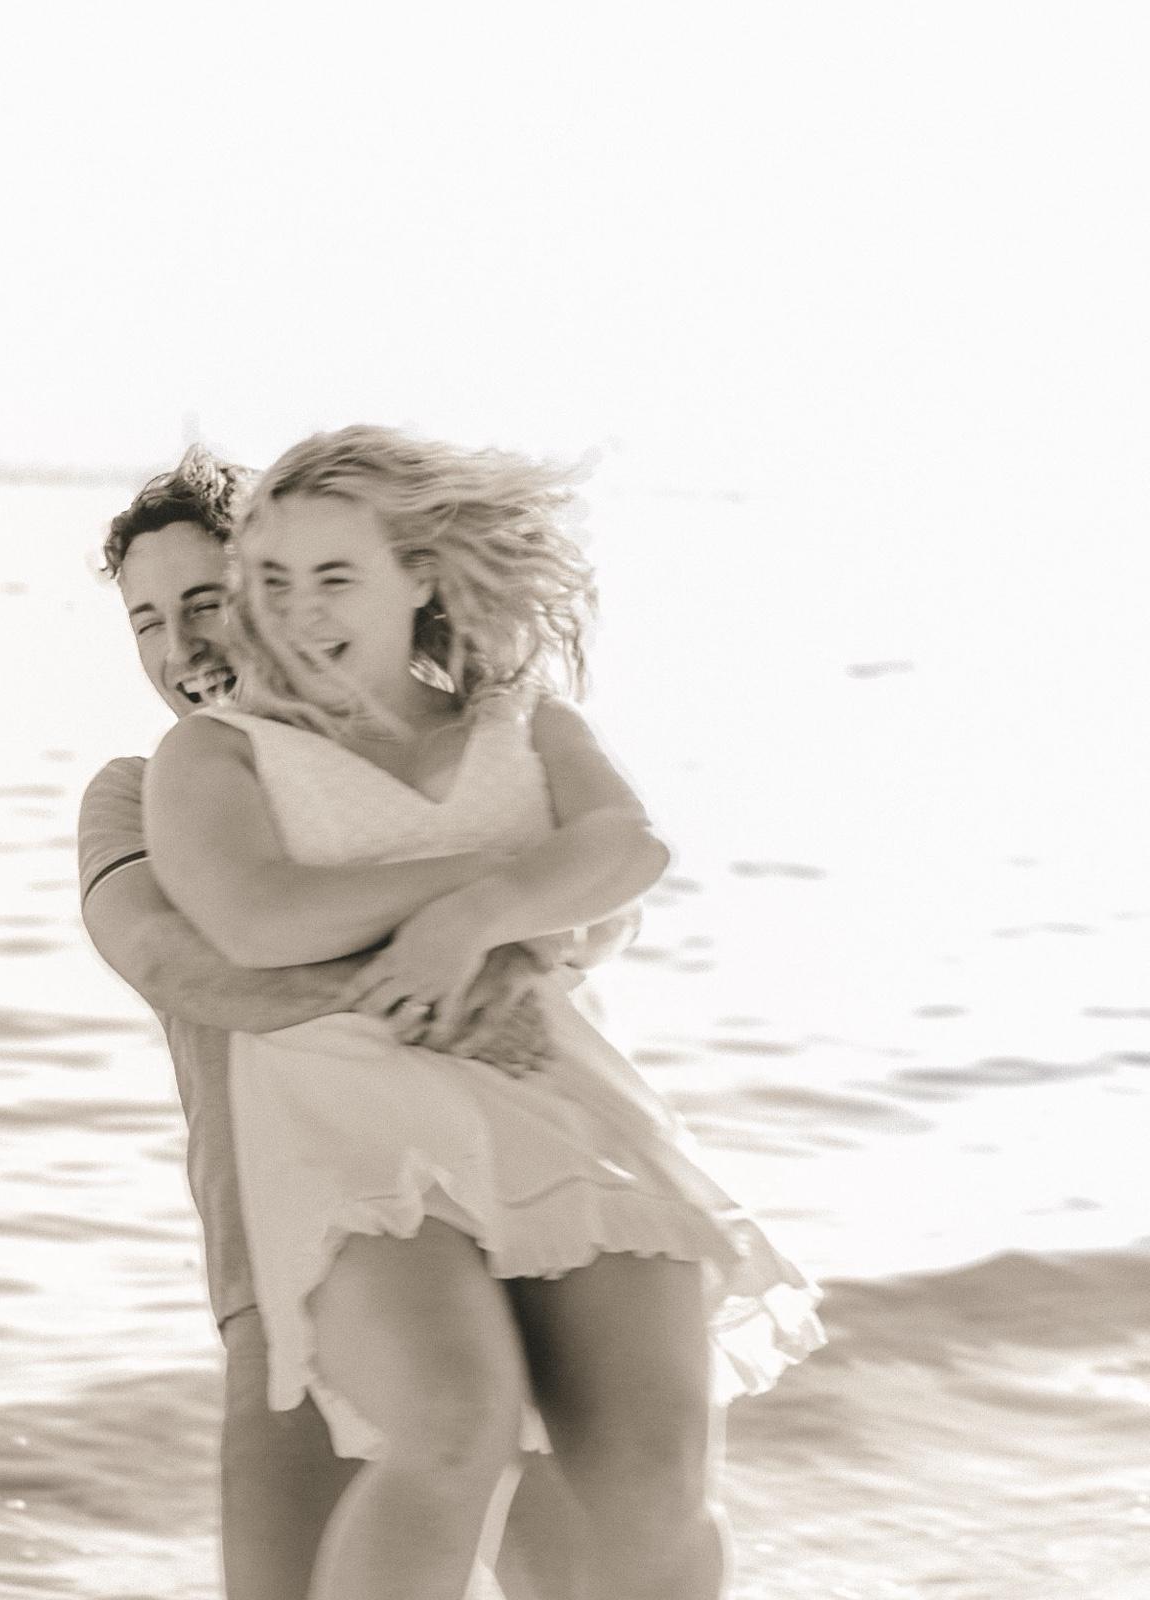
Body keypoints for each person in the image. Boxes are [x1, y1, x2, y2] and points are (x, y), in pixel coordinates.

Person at [144, 425, 826, 1600]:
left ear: (420, 574)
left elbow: (626, 850)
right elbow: (255, 919)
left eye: (335, 576)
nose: (297, 612)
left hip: (558, 1100)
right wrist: (499, 889)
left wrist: (485, 917)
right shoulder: (215, 754)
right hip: (352, 1117)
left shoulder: (522, 718)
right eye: (270, 580)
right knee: (452, 1425)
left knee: (654, 1473)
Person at [78, 445, 600, 1600]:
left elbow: (592, 911)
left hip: (525, 1217)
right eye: (147, 620)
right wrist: (441, 966)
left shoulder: (469, 751)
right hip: (289, 1253)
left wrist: (504, 919)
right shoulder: (141, 794)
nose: (180, 647)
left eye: (209, 601)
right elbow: (178, 963)